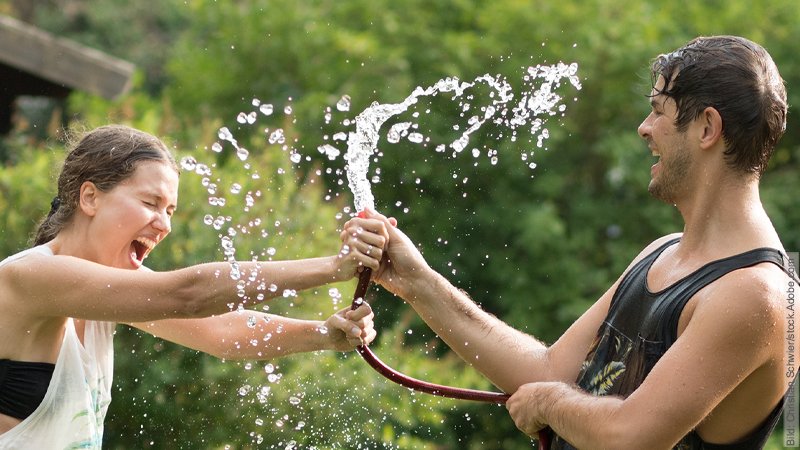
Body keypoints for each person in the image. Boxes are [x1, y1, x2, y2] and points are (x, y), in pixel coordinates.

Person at [355, 35, 798, 449]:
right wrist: (416, 281)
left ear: (707, 128)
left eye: (659, 111)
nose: (645, 129)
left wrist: (550, 404)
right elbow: (544, 371)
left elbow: (632, 436)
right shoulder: (661, 254)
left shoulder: (756, 295)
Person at [0, 124, 389, 449]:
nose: (165, 225)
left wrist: (323, 334)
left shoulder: (107, 292)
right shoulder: (31, 277)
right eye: (151, 203)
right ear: (90, 197)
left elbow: (221, 330)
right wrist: (334, 267)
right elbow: (187, 295)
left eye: (169, 211)